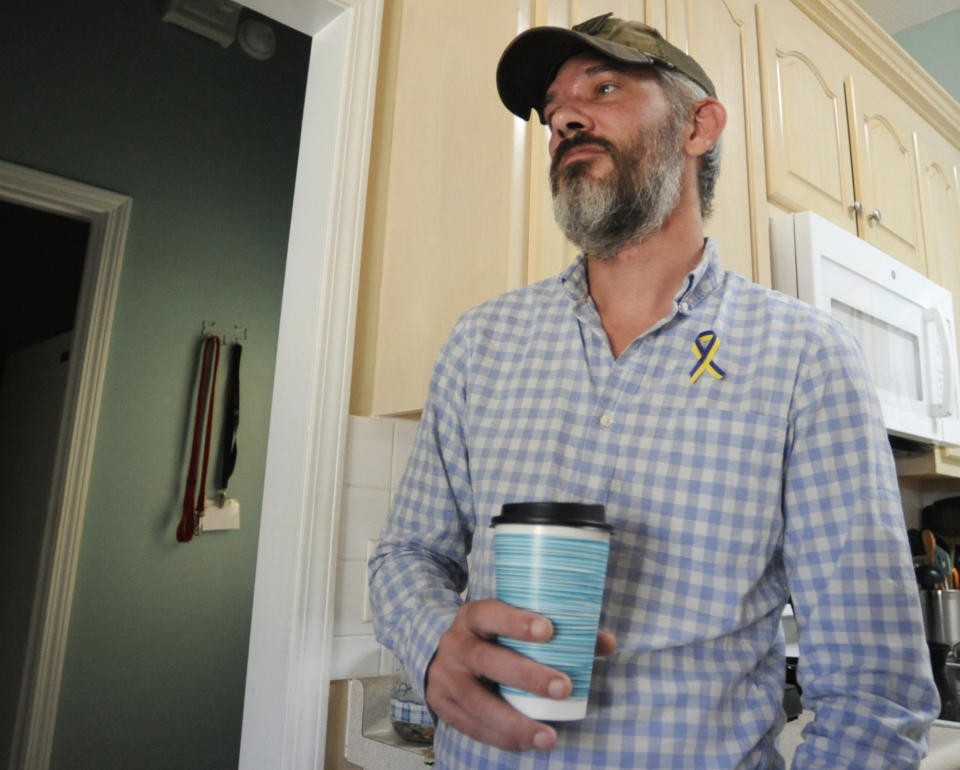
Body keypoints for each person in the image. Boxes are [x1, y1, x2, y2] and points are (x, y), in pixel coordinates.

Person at [369, 12, 940, 768]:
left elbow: (875, 692)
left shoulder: (805, 360)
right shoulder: (482, 345)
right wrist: (433, 641)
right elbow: (408, 553)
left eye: (603, 87)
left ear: (698, 125)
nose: (564, 117)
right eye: (553, 110)